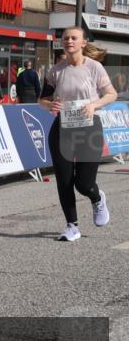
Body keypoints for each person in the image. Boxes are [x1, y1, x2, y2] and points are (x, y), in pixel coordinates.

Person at [38, 28, 117, 241]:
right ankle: (72, 226)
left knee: (83, 183)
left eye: (74, 38)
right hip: (62, 128)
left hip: (89, 127)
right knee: (64, 180)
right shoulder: (55, 71)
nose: (69, 41)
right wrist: (49, 104)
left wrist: (94, 105)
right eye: (66, 38)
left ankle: (97, 197)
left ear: (83, 43)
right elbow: (42, 100)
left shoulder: (94, 67)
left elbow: (112, 94)